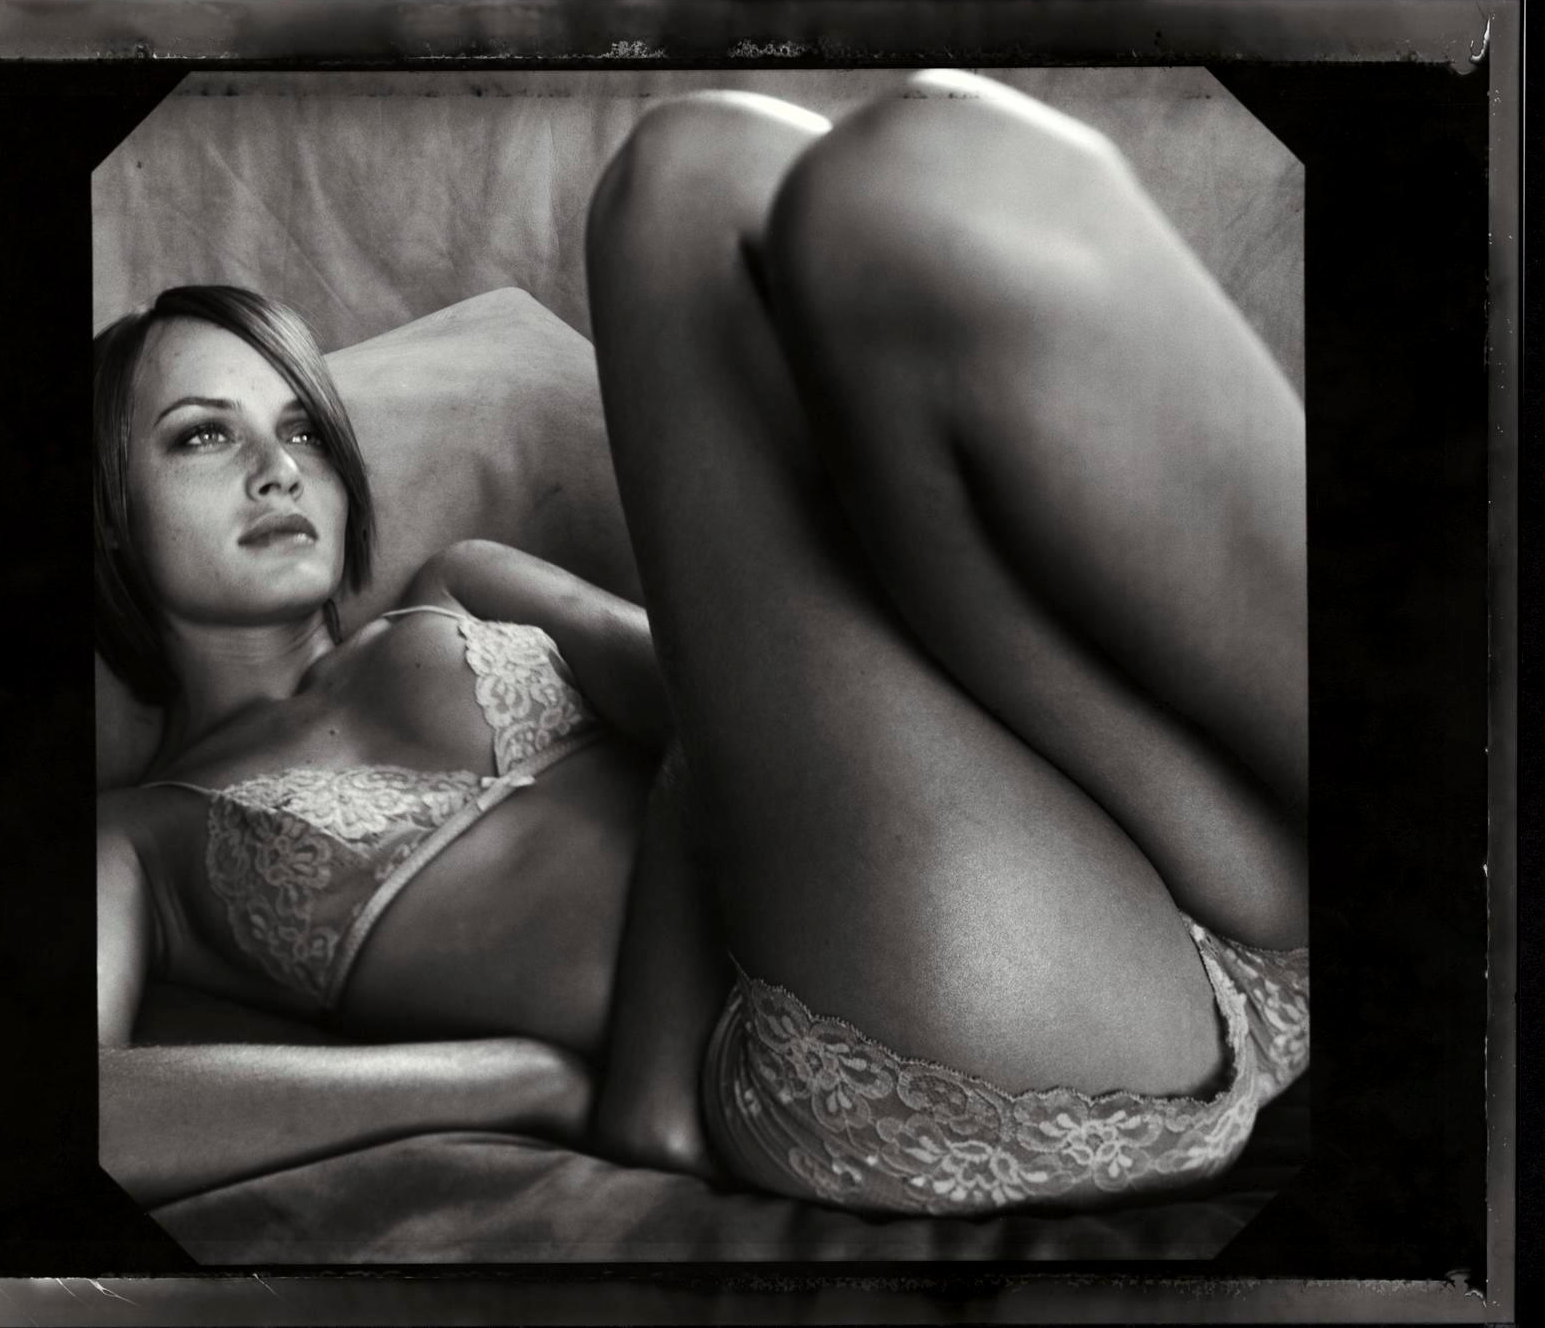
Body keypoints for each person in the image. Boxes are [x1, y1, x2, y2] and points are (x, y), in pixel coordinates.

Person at [97, 70, 1308, 1217]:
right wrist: (508, 1076)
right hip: (899, 1020)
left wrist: (693, 747)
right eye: (204, 435)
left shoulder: (460, 584)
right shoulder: (135, 838)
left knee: (799, 163)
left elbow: (720, 713)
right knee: (690, 183)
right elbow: (78, 1112)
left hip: (1120, 862)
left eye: (305, 427)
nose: (279, 468)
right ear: (105, 504)